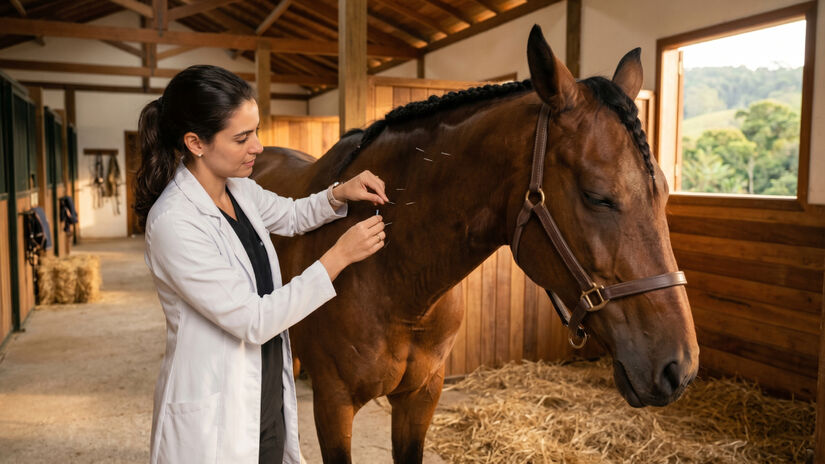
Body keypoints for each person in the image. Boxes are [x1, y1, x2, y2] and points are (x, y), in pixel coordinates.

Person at [135, 65, 388, 464]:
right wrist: (339, 255)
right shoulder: (173, 223)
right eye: (242, 137)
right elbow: (254, 319)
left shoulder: (239, 189)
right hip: (215, 405)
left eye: (255, 131)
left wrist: (340, 192)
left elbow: (291, 214)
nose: (258, 146)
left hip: (264, 385)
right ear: (195, 143)